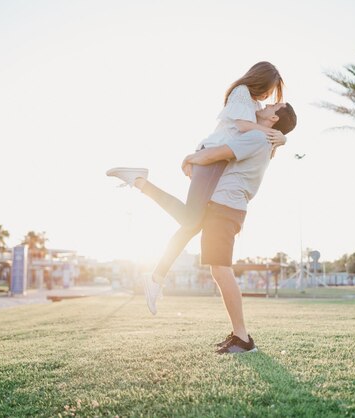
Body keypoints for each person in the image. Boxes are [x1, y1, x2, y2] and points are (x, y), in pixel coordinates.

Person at [109, 102, 297, 354]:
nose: (266, 103)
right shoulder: (261, 138)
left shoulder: (256, 138)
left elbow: (216, 154)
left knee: (220, 269)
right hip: (223, 204)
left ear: (273, 117)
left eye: (274, 104)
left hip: (224, 206)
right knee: (191, 229)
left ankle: (243, 339)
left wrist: (189, 159)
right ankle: (140, 184)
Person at [107, 62, 286, 305]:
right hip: (211, 157)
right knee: (190, 220)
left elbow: (265, 127)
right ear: (259, 80)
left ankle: (156, 276)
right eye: (269, 91)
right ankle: (139, 182)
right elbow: (245, 127)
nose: (268, 98)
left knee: (192, 224)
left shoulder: (254, 105)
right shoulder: (241, 92)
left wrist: (281, 136)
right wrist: (276, 136)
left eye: (271, 98)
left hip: (218, 162)